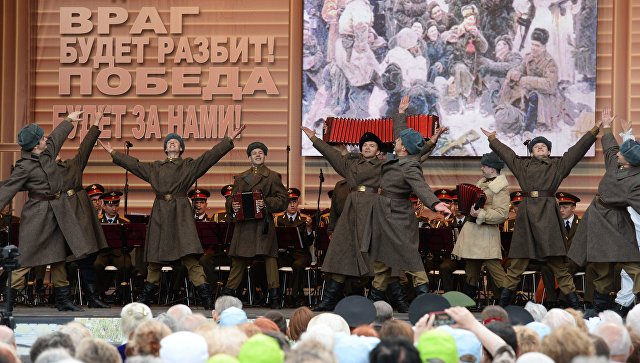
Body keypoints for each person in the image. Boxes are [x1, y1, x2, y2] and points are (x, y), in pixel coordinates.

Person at [98, 125, 245, 310]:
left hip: (181, 216)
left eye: (176, 141)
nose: (172, 142)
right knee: (154, 261)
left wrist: (227, 141)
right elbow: (134, 165)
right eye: (169, 141)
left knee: (191, 261)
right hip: (160, 215)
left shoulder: (188, 166)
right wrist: (114, 152)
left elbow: (209, 158)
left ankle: (207, 299)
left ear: (181, 148)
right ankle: (145, 299)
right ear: (165, 148)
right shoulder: (155, 168)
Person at [481, 110, 602, 309]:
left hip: (548, 216)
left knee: (559, 267)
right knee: (516, 266)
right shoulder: (522, 165)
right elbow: (507, 154)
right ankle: (501, 307)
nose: (539, 147)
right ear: (531, 151)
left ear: (548, 151)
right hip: (527, 215)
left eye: (543, 146)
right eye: (536, 146)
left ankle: (577, 308)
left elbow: (577, 150)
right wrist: (493, 139)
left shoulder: (558, 165)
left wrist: (594, 129)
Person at [0, 111, 85, 312]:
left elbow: (57, 136)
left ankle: (63, 301)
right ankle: (8, 301)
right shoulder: (24, 167)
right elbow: (9, 188)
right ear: (36, 144)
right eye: (42, 137)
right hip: (37, 215)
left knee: (58, 257)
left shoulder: (48, 152)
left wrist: (69, 120)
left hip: (57, 213)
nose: (46, 138)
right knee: (27, 258)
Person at [367, 126, 451, 312]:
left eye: (398, 140)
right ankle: (373, 306)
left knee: (410, 257)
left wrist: (435, 204)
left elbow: (420, 187)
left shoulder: (410, 165)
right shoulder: (401, 159)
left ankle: (425, 302)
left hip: (397, 216)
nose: (395, 141)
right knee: (381, 261)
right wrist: (401, 113)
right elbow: (411, 141)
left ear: (404, 147)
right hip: (385, 214)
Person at [568, 109, 640, 314]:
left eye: (622, 153)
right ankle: (599, 310)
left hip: (617, 223)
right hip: (597, 220)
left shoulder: (637, 180)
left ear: (629, 160)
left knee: (633, 265)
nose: (617, 153)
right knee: (601, 269)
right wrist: (606, 125)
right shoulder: (615, 165)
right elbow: (610, 148)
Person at [221, 141, 288, 309]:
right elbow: (231, 199)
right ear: (249, 157)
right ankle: (227, 297)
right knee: (238, 260)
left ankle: (275, 298)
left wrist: (265, 203)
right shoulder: (241, 177)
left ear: (265, 156)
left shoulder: (273, 176)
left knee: (270, 260)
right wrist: (232, 205)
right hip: (244, 225)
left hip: (263, 225)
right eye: (254, 153)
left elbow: (283, 200)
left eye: (260, 152)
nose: (257, 155)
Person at [55, 111, 110, 308]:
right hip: (60, 216)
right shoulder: (44, 172)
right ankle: (63, 298)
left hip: (81, 214)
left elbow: (85, 148)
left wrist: (95, 124)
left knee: (87, 258)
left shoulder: (72, 165)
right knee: (61, 260)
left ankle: (92, 297)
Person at [452, 152, 510, 302]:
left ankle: (508, 303)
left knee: (495, 271)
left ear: (492, 168)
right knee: (471, 271)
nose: (482, 168)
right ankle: (466, 305)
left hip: (486, 235)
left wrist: (481, 214)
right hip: (473, 234)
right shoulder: (482, 183)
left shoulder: (501, 188)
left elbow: (502, 214)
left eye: (484, 166)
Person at [274, 188, 314, 307]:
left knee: (298, 265)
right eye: (289, 202)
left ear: (297, 203)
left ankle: (296, 296)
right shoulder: (278, 219)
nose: (292, 204)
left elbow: (310, 242)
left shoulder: (305, 219)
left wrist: (309, 228)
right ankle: (275, 296)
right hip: (284, 253)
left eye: (294, 202)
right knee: (271, 263)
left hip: (301, 253)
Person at [94, 191, 133, 304]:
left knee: (126, 265)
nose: (114, 208)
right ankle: (100, 293)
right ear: (104, 206)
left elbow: (130, 243)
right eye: (111, 205)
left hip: (119, 253)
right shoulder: (97, 221)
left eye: (116, 205)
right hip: (102, 253)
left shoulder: (124, 222)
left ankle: (122, 294)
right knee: (97, 265)